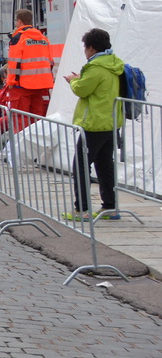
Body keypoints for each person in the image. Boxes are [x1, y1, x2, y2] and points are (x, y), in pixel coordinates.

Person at [65, 28, 126, 220]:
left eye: (85, 48)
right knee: (105, 165)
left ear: (91, 48)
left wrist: (74, 81)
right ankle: (110, 207)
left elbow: (83, 90)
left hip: (94, 124)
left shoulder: (96, 67)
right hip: (112, 122)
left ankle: (82, 209)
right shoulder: (115, 64)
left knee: (80, 166)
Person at [7, 9, 56, 125]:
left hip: (22, 86)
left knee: (21, 120)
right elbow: (50, 62)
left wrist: (10, 82)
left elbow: (14, 63)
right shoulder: (43, 38)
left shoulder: (18, 38)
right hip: (40, 85)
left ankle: (21, 143)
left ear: (19, 21)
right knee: (37, 120)